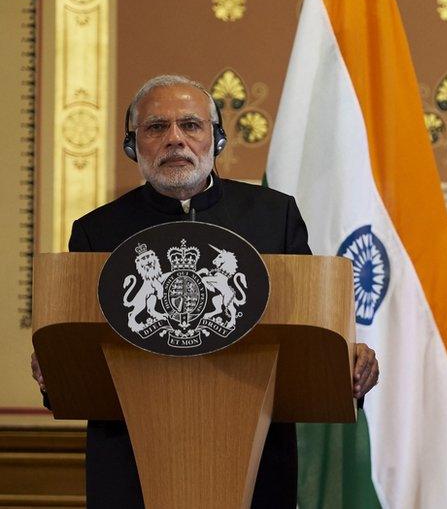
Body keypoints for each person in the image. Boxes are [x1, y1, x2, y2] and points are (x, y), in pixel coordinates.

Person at [30, 74, 380, 508]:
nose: (175, 139)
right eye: (157, 127)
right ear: (131, 146)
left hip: (255, 455)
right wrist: (55, 365)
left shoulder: (275, 216)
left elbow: (306, 326)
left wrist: (346, 358)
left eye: (191, 125)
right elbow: (77, 350)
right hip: (131, 456)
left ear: (216, 140)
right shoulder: (96, 231)